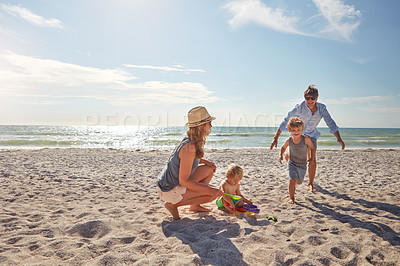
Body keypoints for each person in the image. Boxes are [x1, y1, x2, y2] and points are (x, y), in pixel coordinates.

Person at [157, 106, 234, 220]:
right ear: (201, 126)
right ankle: (173, 205)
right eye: (209, 123)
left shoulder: (191, 141)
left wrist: (205, 162)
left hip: (173, 183)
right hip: (168, 189)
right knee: (212, 194)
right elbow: (184, 180)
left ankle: (195, 205)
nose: (211, 126)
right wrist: (214, 190)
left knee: (208, 170)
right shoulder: (190, 146)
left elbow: (187, 161)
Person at [270, 85, 345, 192]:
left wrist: (339, 138)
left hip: (311, 134)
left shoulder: (322, 108)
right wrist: (275, 138)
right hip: (298, 134)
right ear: (304, 98)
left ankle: (310, 183)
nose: (310, 100)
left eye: (312, 98)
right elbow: (286, 121)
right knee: (293, 156)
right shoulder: (299, 108)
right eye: (307, 98)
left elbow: (330, 123)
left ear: (317, 98)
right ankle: (289, 155)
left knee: (312, 158)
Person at [279, 117, 316, 204]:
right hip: (292, 163)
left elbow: (312, 148)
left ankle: (297, 180)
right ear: (289, 130)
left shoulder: (306, 139)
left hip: (302, 164)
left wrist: (312, 159)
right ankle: (292, 198)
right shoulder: (289, 140)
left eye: (298, 130)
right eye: (293, 130)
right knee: (292, 181)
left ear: (302, 129)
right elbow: (283, 147)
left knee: (299, 182)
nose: (296, 132)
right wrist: (280, 155)